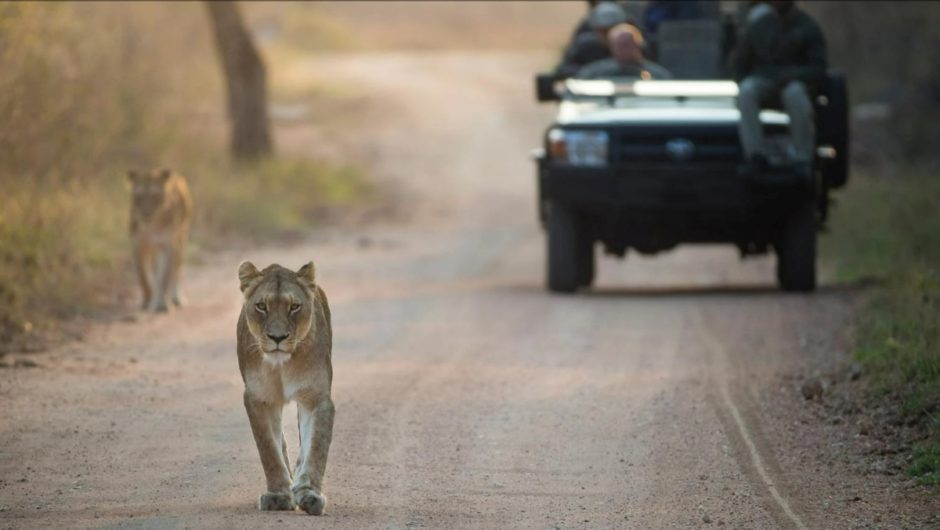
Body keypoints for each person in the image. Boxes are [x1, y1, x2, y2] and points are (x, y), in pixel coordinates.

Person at [732, 0, 827, 173]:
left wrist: (794, 76)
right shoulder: (760, 26)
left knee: (795, 94)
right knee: (747, 91)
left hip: (794, 83)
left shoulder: (807, 27)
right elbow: (740, 63)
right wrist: (746, 78)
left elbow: (819, 68)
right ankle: (755, 154)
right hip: (765, 80)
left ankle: (802, 156)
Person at [554, 1, 632, 78]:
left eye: (613, 28)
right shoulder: (585, 46)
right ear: (597, 30)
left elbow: (641, 67)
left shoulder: (631, 44)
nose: (610, 34)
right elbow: (563, 70)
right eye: (604, 30)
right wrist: (591, 72)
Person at [576, 23, 673, 80]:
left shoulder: (658, 75)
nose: (624, 50)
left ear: (639, 45)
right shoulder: (593, 74)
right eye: (620, 46)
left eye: (627, 44)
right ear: (611, 48)